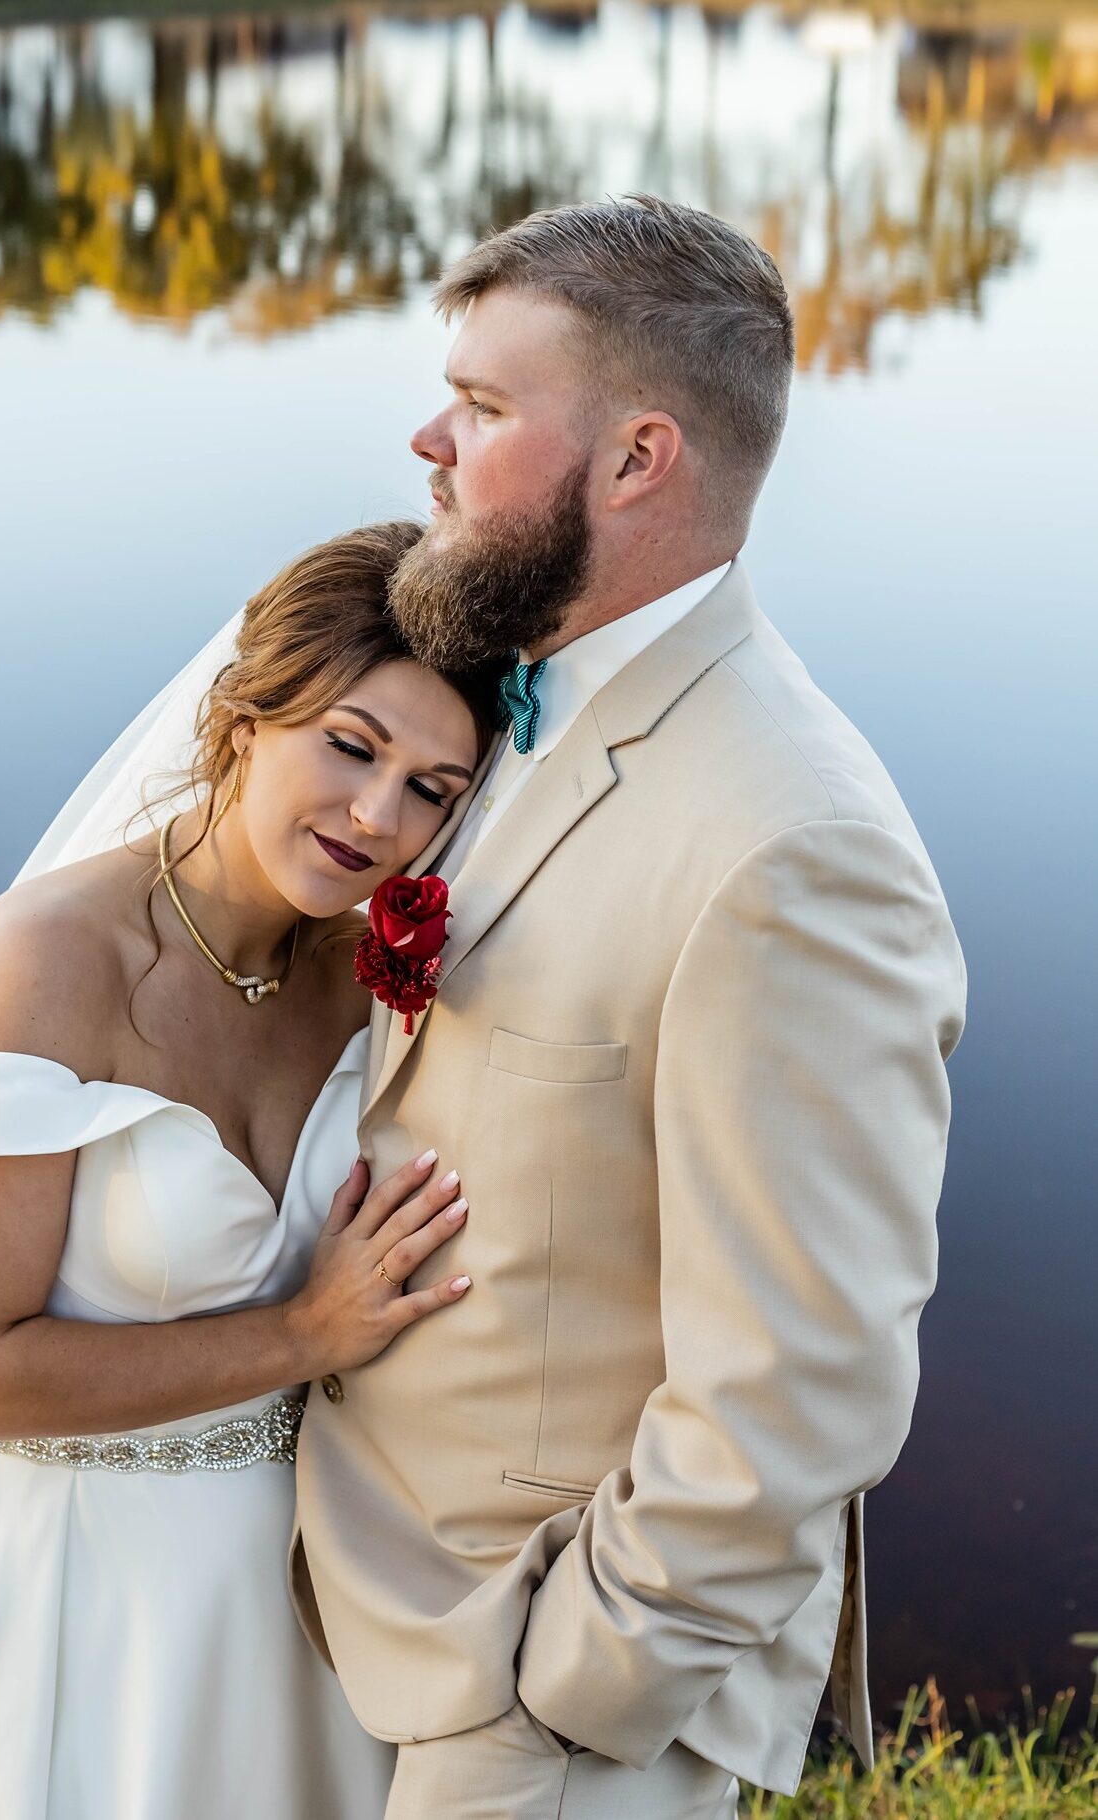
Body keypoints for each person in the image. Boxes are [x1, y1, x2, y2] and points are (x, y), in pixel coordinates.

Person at [287, 195, 969, 1818]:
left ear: (639, 459)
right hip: (357, 1586)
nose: (426, 439)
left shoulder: (794, 853)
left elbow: (799, 1388)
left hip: (535, 1696)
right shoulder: (494, 686)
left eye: (486, 406)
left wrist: (569, 1694)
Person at [0, 520, 502, 1819]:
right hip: (67, 1591)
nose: (378, 818)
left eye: (433, 788)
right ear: (247, 714)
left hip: (309, 1593)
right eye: (352, 747)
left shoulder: (363, 969)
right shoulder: (46, 963)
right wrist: (307, 1329)